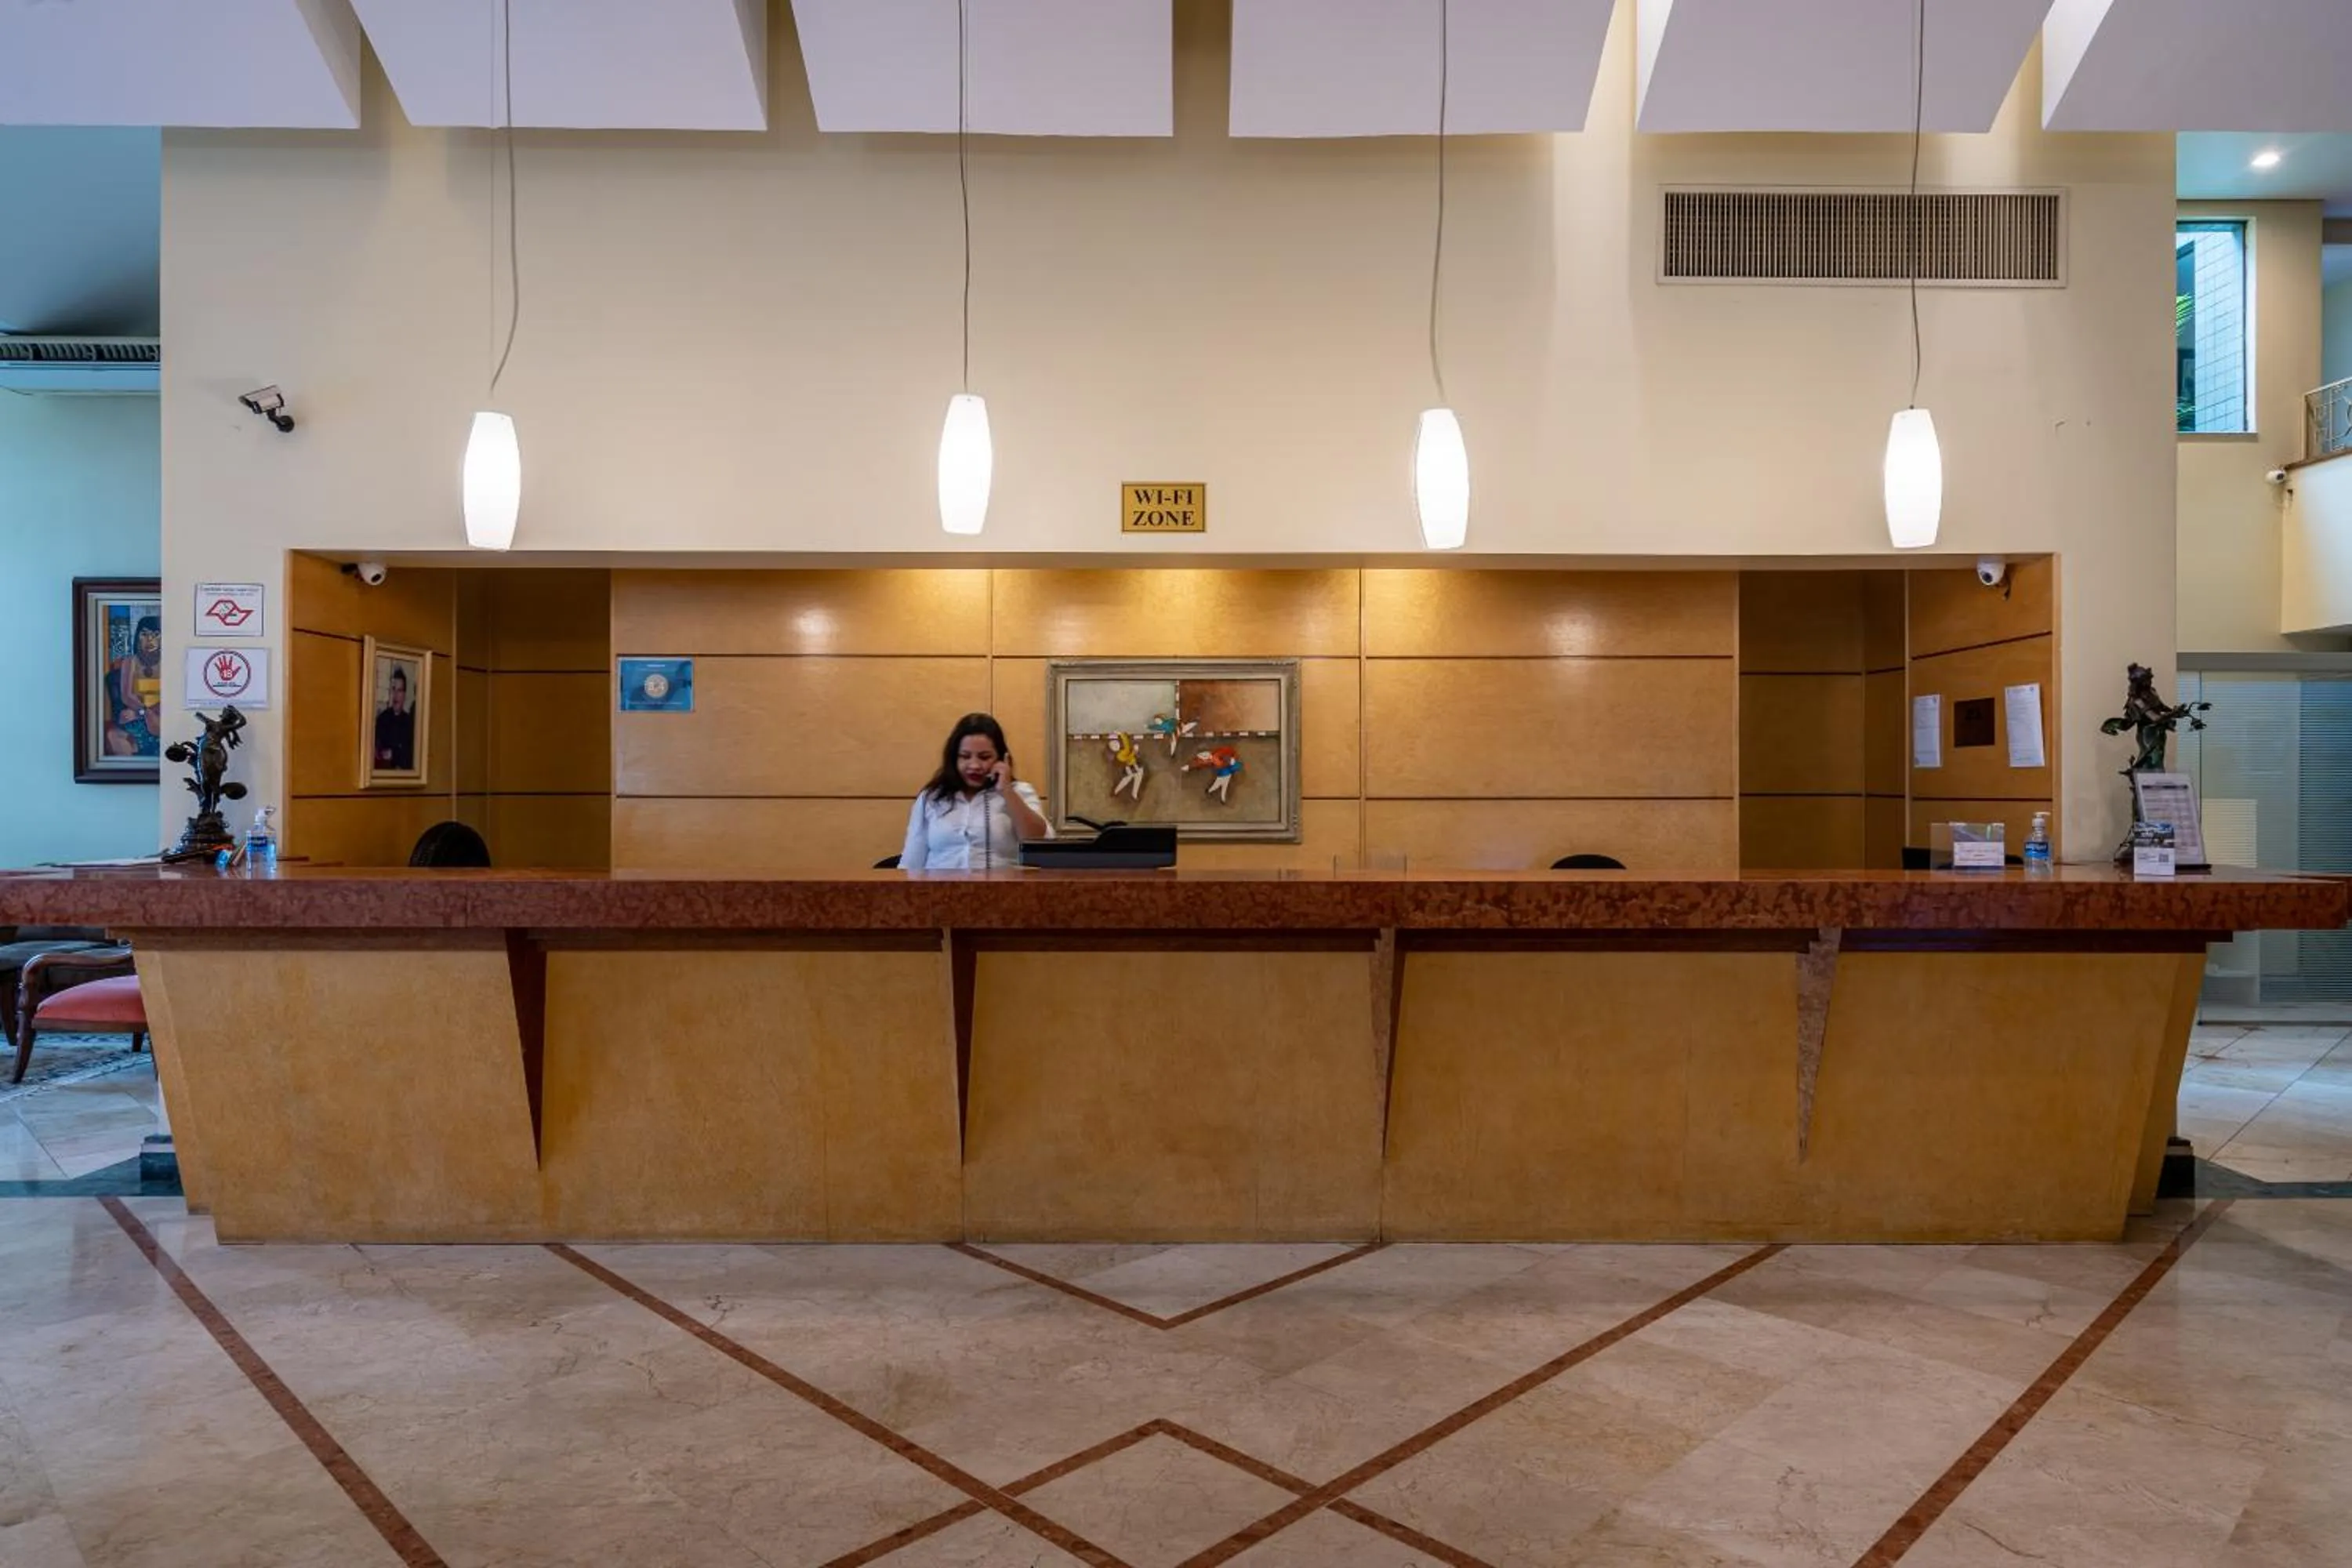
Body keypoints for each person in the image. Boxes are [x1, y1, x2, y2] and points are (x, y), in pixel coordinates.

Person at [899, 713, 1053, 869]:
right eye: (965, 757)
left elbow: (1037, 842)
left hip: (1003, 891)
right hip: (939, 891)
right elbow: (911, 862)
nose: (974, 765)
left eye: (984, 757)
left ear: (1001, 758)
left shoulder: (1019, 792)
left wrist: (1006, 792)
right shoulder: (932, 797)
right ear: (954, 758)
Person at [104, 615, 163, 757]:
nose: (150, 640)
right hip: (136, 714)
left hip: (162, 715)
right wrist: (142, 712)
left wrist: (147, 713)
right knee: (114, 737)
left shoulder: (169, 662)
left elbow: (171, 698)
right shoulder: (130, 662)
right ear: (138, 637)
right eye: (144, 634)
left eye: (156, 635)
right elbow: (127, 696)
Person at [374, 664, 416, 771]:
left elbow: (411, 755)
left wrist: (394, 754)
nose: (396, 695)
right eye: (394, 689)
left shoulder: (409, 723)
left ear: (405, 694)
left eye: (400, 690)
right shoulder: (382, 719)